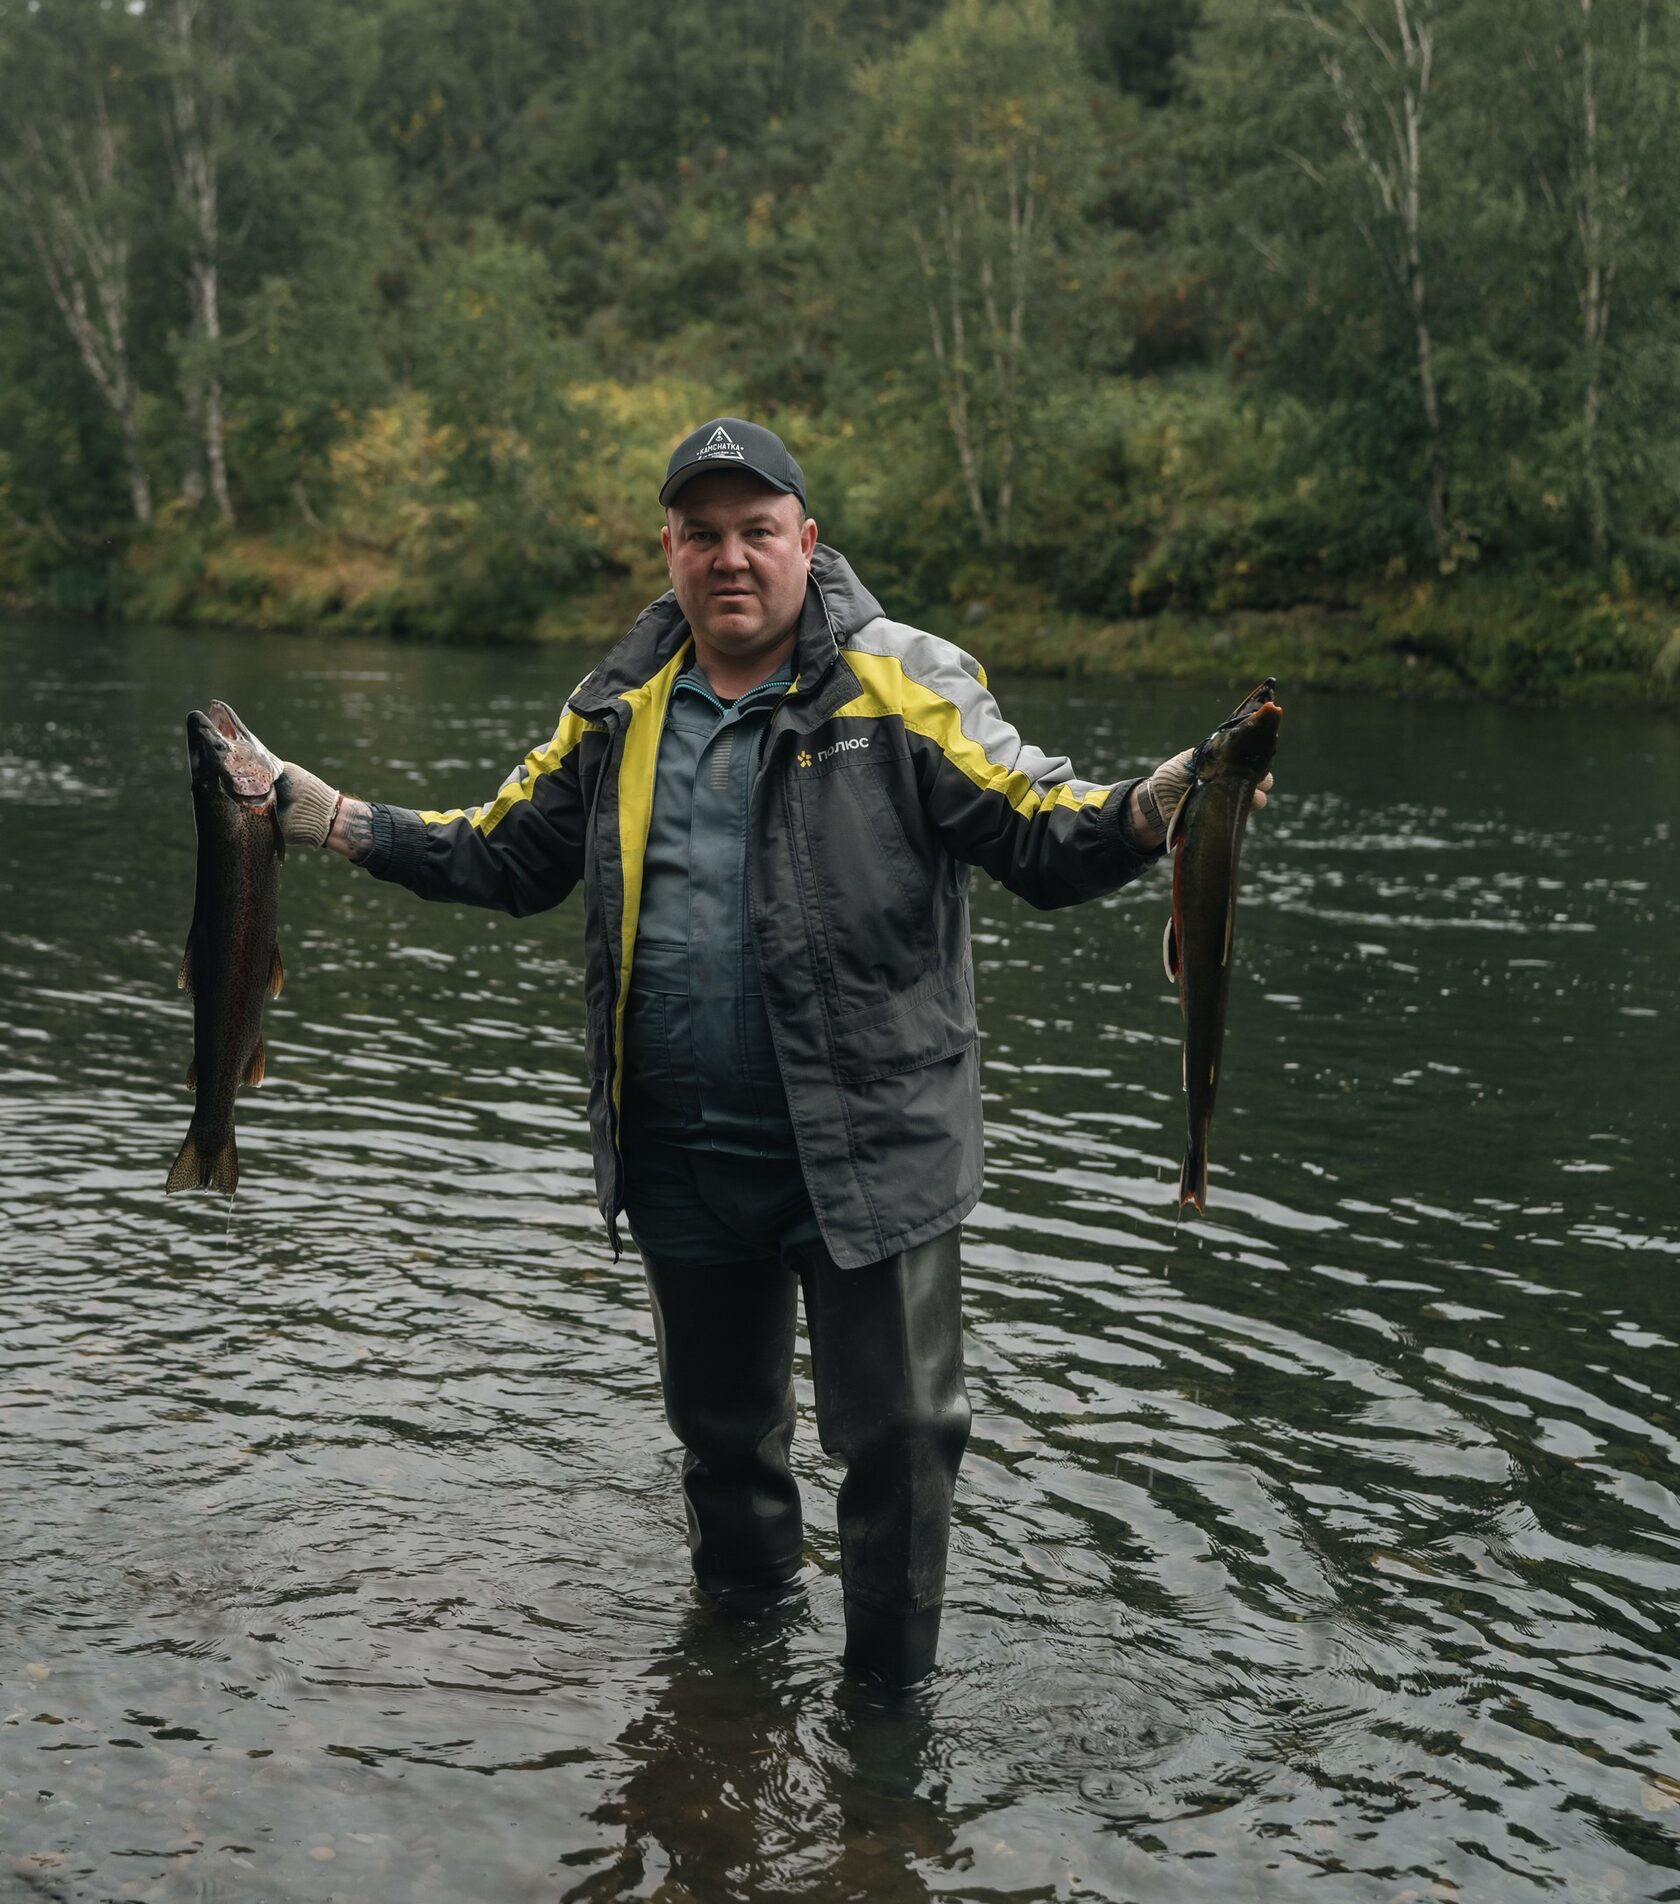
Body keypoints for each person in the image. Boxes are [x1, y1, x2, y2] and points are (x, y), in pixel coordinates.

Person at [276, 417, 1272, 1688]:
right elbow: (501, 850)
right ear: (669, 550)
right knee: (722, 1441)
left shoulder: (899, 679)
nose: (729, 559)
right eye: (702, 534)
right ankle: (734, 1693)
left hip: (871, 1147)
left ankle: (887, 1724)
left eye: (757, 531)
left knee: (903, 1439)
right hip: (686, 1150)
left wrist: (1159, 804)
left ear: (809, 541)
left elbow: (1038, 828)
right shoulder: (618, 705)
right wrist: (327, 817)